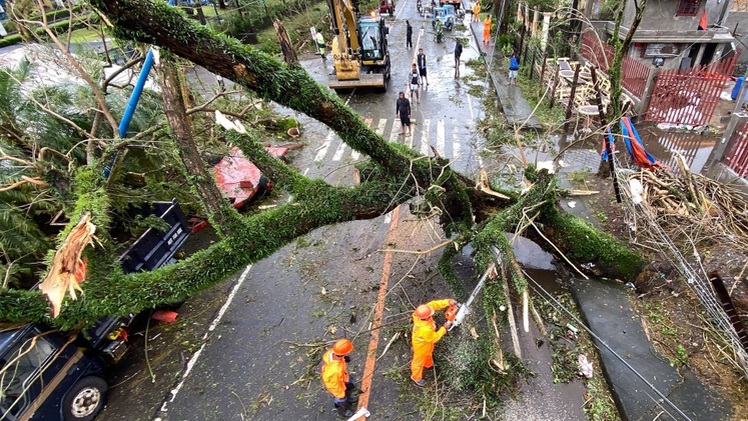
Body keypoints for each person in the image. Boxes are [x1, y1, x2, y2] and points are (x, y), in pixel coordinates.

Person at [410, 299, 458, 387]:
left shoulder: (423, 312)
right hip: (421, 346)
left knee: (429, 354)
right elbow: (434, 338)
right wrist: (444, 329)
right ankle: (416, 377)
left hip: (426, 343)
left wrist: (447, 302)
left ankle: (429, 365)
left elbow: (434, 304)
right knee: (418, 362)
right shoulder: (425, 329)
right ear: (426, 318)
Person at [321, 339, 358, 418]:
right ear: (343, 354)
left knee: (350, 386)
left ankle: (348, 399)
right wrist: (340, 394)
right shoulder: (334, 370)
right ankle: (342, 410)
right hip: (337, 385)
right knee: (341, 400)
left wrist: (344, 359)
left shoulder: (333, 353)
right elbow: (333, 385)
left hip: (342, 377)